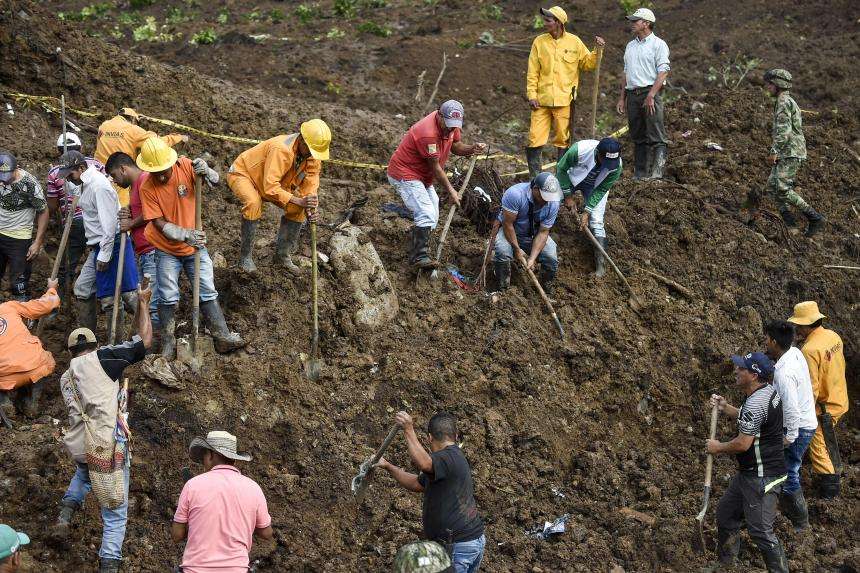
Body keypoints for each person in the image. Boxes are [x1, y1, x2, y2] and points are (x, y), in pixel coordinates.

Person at [52, 282, 152, 573]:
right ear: (95, 346)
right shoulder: (104, 359)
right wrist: (143, 304)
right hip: (106, 445)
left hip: (81, 444)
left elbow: (132, 342)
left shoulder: (66, 376)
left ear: (72, 351)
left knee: (84, 473)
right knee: (115, 511)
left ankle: (65, 514)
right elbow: (143, 342)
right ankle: (109, 563)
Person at [136, 137, 245, 358]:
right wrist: (185, 235)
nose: (162, 176)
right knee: (167, 295)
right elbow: (157, 222)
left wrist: (207, 172)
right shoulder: (147, 186)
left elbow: (216, 181)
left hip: (196, 247)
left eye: (164, 170)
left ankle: (221, 335)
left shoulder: (185, 166)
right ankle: (168, 343)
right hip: (166, 248)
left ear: (171, 162)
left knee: (206, 287)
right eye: (156, 172)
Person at [707, 352, 788, 573]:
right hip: (750, 473)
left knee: (761, 531)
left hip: (762, 476)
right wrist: (725, 407)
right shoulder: (765, 392)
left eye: (741, 368)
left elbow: (743, 443)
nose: (736, 370)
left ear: (753, 375)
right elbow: (749, 417)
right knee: (725, 513)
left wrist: (718, 447)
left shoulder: (756, 403)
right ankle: (726, 565)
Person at [375, 412, 486, 573]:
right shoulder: (449, 462)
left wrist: (408, 429)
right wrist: (388, 466)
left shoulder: (447, 457)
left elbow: (424, 463)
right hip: (469, 540)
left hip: (458, 545)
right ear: (455, 436)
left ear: (430, 438)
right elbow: (416, 483)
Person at [387, 100, 486, 268]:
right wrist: (451, 191)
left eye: (454, 125)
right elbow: (436, 168)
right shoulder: (428, 133)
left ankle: (421, 246)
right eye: (447, 124)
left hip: (423, 176)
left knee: (433, 213)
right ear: (439, 114)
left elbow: (456, 145)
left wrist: (471, 149)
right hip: (405, 174)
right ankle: (418, 257)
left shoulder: (452, 125)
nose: (450, 128)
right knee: (426, 212)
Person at [227, 120, 331, 273]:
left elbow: (310, 185)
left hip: (272, 184)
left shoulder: (312, 156)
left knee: (298, 209)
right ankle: (245, 259)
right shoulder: (281, 149)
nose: (312, 155)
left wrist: (310, 207)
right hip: (244, 174)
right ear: (302, 139)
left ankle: (282, 257)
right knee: (253, 202)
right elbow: (270, 188)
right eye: (310, 150)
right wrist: (298, 200)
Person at [58, 150, 139, 343]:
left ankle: (119, 342)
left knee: (122, 296)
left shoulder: (99, 186)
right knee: (83, 289)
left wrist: (104, 255)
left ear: (81, 168)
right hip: (98, 247)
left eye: (71, 173)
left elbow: (110, 225)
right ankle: (88, 340)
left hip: (112, 245)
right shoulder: (85, 184)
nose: (69, 178)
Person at [171, 430, 273, 573]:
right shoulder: (253, 487)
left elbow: (176, 535)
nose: (203, 461)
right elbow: (266, 533)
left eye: (204, 456)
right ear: (234, 459)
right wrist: (245, 522)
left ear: (211, 455)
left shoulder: (192, 485)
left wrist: (196, 523)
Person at [525, 6, 605, 176]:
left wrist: (598, 51)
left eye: (548, 20)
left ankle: (560, 178)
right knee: (534, 139)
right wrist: (532, 95)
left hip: (564, 101)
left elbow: (588, 64)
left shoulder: (574, 42)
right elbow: (533, 71)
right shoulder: (539, 42)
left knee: (563, 140)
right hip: (541, 101)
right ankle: (535, 180)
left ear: (559, 23)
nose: (545, 23)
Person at [787, 301, 848, 498]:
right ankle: (832, 467)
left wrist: (802, 418)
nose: (797, 329)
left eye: (798, 326)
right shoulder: (833, 336)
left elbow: (810, 388)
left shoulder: (810, 350)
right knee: (827, 437)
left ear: (806, 325)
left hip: (825, 408)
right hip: (840, 397)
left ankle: (830, 491)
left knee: (817, 445)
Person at [764, 320, 817, 531]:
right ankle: (789, 512)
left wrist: (790, 436)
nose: (765, 343)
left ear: (775, 342)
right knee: (786, 470)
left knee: (789, 472)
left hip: (799, 426)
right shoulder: (795, 352)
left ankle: (800, 522)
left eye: (767, 339)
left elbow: (792, 409)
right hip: (806, 420)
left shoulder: (783, 373)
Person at [762, 69, 824, 236]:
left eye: (769, 84)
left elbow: (784, 131)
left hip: (790, 150)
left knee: (781, 188)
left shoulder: (783, 102)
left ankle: (814, 217)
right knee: (772, 187)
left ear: (778, 84)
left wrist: (774, 150)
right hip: (788, 150)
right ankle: (790, 224)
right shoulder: (787, 100)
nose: (767, 87)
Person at [46, 133, 106, 298]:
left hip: (77, 222)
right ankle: (100, 295)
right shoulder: (97, 165)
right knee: (96, 258)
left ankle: (60, 301)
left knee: (67, 265)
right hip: (95, 221)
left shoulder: (55, 172)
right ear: (80, 148)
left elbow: (52, 204)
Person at [105, 152, 159, 329]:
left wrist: (131, 223)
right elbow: (140, 207)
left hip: (152, 249)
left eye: (114, 175)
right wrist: (129, 210)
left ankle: (154, 344)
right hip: (144, 250)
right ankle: (150, 343)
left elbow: (153, 210)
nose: (114, 181)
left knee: (152, 301)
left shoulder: (144, 180)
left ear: (123, 169)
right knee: (147, 298)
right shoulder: (134, 186)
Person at [616, 8, 670, 180]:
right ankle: (640, 174)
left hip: (649, 92)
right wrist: (622, 98)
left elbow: (663, 72)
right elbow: (626, 73)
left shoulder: (658, 45)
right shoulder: (630, 46)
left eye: (635, 21)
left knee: (656, 135)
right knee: (638, 136)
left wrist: (651, 95)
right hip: (633, 94)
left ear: (646, 23)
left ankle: (657, 173)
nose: (632, 24)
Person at [556, 137, 622, 276]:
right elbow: (561, 169)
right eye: (605, 161)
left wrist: (587, 211)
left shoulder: (616, 166)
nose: (607, 166)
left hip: (595, 187)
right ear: (597, 153)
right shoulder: (579, 150)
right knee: (552, 200)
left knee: (597, 221)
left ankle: (601, 267)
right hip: (571, 179)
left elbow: (602, 189)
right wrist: (567, 196)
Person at [94, 107, 186, 206]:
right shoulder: (132, 130)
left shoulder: (103, 126)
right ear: (133, 119)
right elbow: (156, 143)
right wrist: (179, 137)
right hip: (121, 176)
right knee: (122, 208)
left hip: (100, 175)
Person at [0, 278, 60, 421]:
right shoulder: (9, 307)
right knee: (44, 360)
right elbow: (46, 305)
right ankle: (30, 402)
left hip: (4, 377)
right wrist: (52, 289)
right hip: (34, 366)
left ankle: (3, 402)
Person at [493, 172, 562, 295]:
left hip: (533, 234)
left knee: (551, 257)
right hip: (510, 231)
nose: (547, 201)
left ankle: (545, 289)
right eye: (544, 197)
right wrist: (517, 250)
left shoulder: (553, 202)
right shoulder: (515, 195)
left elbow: (543, 232)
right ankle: (503, 290)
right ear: (535, 189)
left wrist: (532, 258)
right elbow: (507, 224)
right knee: (502, 251)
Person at [0, 150, 49, 301]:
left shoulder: (29, 183)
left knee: (18, 283)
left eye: (7, 177)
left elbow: (43, 211)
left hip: (19, 237)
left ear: (16, 169)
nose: (3, 181)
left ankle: (23, 318)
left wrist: (38, 242)